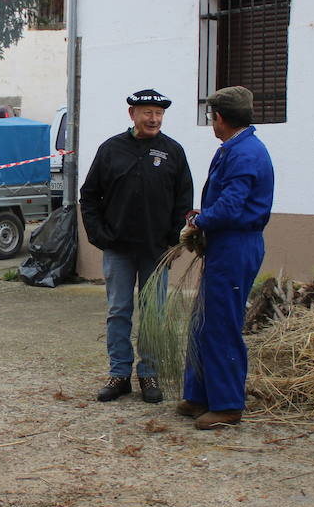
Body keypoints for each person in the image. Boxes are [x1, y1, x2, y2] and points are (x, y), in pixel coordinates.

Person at [79, 89, 193, 403]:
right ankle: (119, 375)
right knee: (119, 311)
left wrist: (174, 240)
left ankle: (149, 374)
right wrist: (100, 236)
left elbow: (184, 201)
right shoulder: (111, 149)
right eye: (147, 113)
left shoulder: (173, 151)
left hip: (156, 251)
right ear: (133, 114)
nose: (154, 118)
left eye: (158, 113)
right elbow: (88, 197)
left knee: (153, 311)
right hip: (118, 249)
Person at [178, 86, 275, 430]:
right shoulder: (236, 148)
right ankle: (201, 395)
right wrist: (203, 219)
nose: (211, 122)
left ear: (219, 117)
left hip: (236, 246)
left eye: (211, 116)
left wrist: (200, 222)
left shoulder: (245, 153)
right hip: (225, 243)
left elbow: (232, 207)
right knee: (203, 321)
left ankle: (228, 404)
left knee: (221, 323)